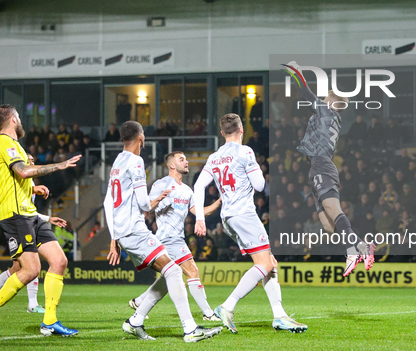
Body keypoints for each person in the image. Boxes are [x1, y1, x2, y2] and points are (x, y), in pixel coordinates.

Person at [103, 121, 222, 342]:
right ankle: (190, 329)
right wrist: (156, 199)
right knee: (176, 272)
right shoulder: (137, 161)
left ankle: (135, 320)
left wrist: (113, 237)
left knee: (171, 272)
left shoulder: (117, 162)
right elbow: (144, 204)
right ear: (140, 137)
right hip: (135, 230)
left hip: (123, 231)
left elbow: (108, 201)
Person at [194, 113, 307, 334]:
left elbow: (198, 187)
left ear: (222, 132)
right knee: (265, 265)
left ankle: (279, 315)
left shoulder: (214, 157)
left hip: (228, 218)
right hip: (244, 214)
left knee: (269, 262)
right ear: (241, 129)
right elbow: (259, 184)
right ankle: (227, 306)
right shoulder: (245, 152)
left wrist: (200, 217)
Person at [0, 104, 81, 339]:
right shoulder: (5, 143)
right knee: (31, 270)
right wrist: (60, 165)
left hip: (30, 213)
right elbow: (23, 172)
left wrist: (34, 188)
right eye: (19, 117)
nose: (22, 121)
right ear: (14, 119)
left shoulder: (15, 146)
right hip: (15, 216)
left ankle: (50, 322)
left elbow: (15, 180)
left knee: (59, 261)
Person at [284, 61, 374, 276]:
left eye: (325, 98)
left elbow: (304, 90)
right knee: (327, 225)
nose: (322, 100)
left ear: (331, 103)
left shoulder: (325, 111)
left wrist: (294, 70)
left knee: (334, 212)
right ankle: (361, 246)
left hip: (321, 166)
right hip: (318, 167)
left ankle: (354, 250)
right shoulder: (332, 118)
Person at [127, 151, 222, 321]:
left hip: (176, 238)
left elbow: (200, 212)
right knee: (192, 270)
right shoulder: (162, 184)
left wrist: (220, 201)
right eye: (181, 159)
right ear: (172, 165)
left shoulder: (187, 191)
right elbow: (147, 206)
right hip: (167, 239)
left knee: (171, 276)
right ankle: (208, 313)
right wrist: (160, 198)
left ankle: (140, 302)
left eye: (186, 159)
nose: (186, 162)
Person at [0, 156, 64, 314]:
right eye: (28, 160)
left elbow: (30, 213)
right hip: (14, 224)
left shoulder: (30, 183)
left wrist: (48, 219)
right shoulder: (19, 178)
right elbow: (3, 199)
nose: (31, 162)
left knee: (19, 267)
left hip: (25, 223)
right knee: (29, 264)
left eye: (33, 160)